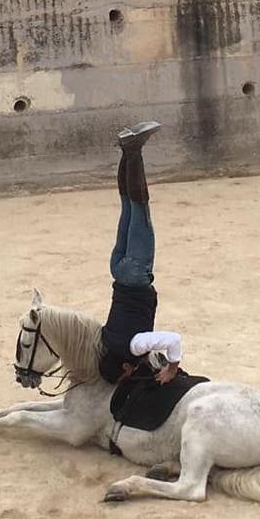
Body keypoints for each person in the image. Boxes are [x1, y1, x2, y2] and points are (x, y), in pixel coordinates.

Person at [98, 122, 176, 384]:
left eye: (124, 374)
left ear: (123, 366)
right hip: (118, 270)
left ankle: (134, 150)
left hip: (135, 274)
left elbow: (174, 341)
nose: (129, 375)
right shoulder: (107, 339)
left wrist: (173, 368)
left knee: (140, 205)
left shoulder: (135, 345)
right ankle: (126, 149)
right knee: (127, 205)